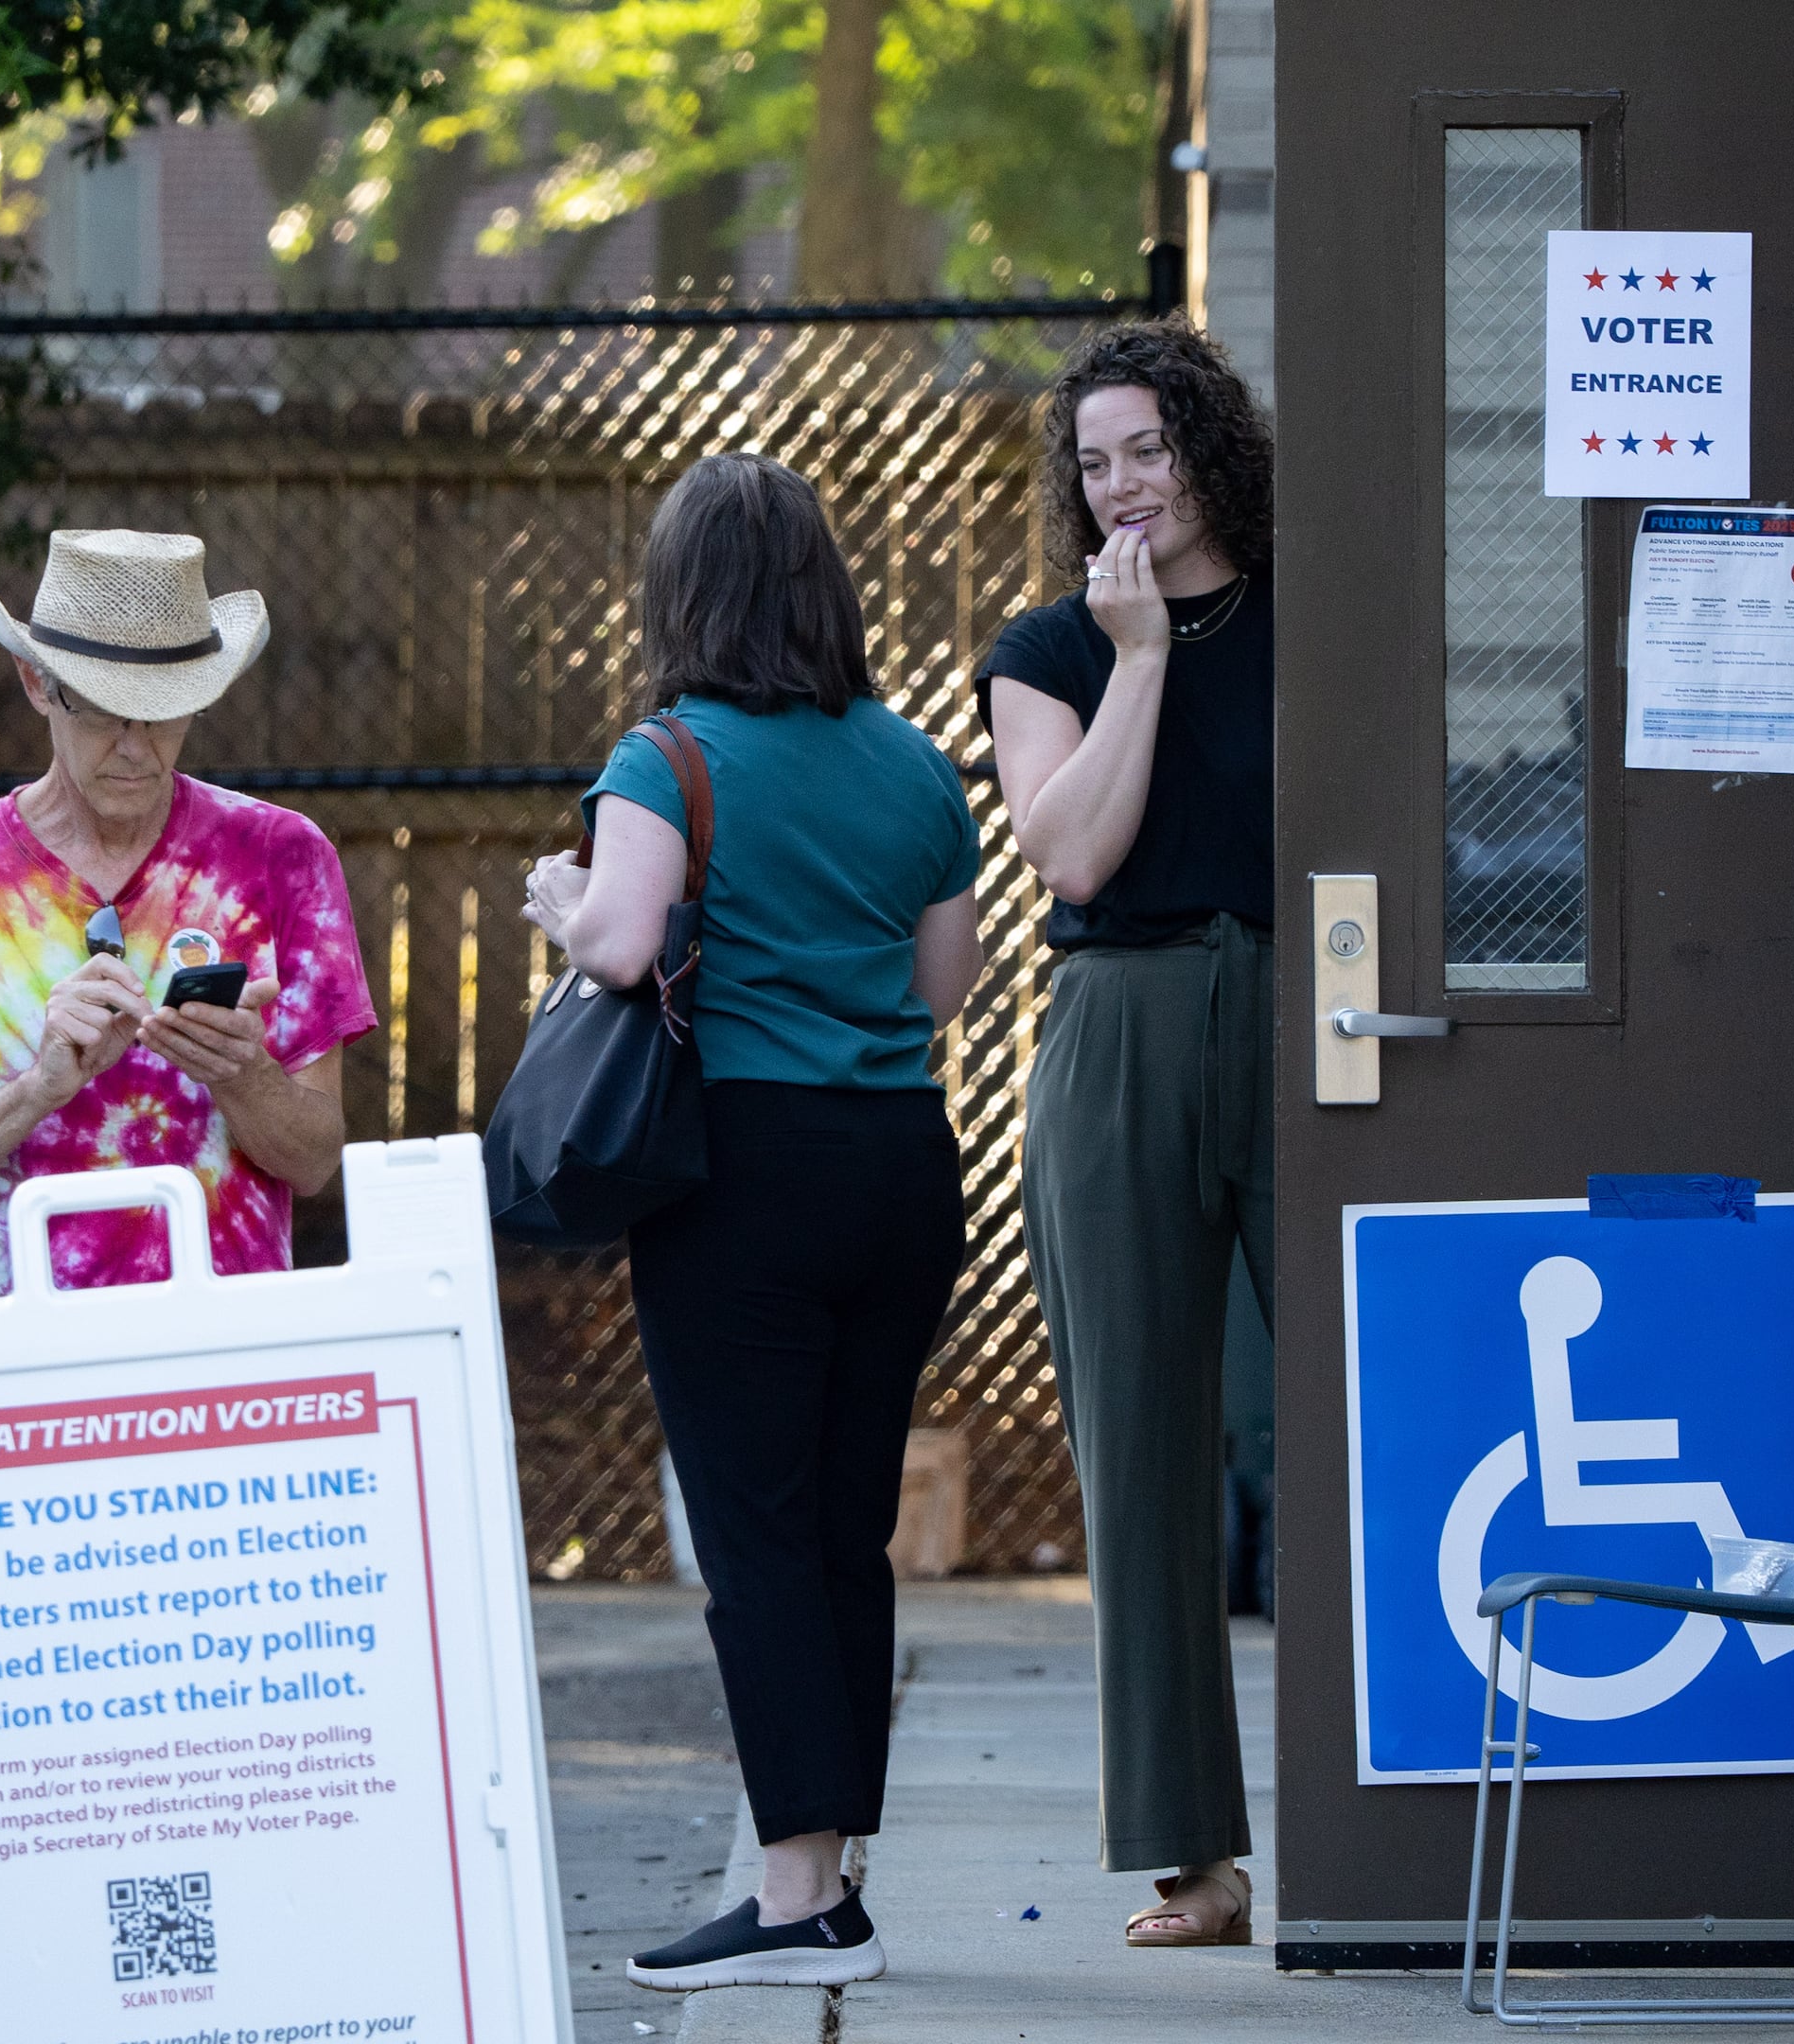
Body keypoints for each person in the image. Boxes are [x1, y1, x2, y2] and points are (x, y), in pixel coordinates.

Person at [525, 454, 985, 1990]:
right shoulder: (918, 765)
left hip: (747, 1174)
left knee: (758, 1532)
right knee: (845, 1528)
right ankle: (832, 1881)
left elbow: (621, 939)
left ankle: (794, 1907)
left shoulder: (667, 757)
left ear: (681, 595)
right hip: (903, 1170)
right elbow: (940, 989)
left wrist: (555, 903)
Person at [981, 318, 1275, 1948]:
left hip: (1319, 1014)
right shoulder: (1048, 650)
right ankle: (1196, 1860)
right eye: (1094, 466)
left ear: (1207, 447)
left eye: (1147, 451)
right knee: (1144, 1448)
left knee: (1358, 1412)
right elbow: (1073, 859)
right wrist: (1144, 658)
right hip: (1123, 1030)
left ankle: (1424, 1811)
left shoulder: (1311, 614)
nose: (1123, 487)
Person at [0, 528, 375, 1295]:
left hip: (231, 1357)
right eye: (101, 710)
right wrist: (38, 1090)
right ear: (35, 683)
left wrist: (243, 1073)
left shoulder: (282, 857)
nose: (135, 747)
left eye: (162, 711)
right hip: (27, 1367)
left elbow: (315, 1159)